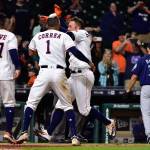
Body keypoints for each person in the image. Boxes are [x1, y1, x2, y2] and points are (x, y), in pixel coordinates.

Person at [16, 13, 95, 146]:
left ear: (47, 24)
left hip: (43, 72)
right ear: (58, 24)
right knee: (67, 105)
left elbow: (29, 51)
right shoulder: (63, 35)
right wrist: (88, 61)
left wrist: (41, 53)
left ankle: (24, 132)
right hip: (59, 72)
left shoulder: (38, 35)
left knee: (31, 103)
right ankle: (74, 136)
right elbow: (75, 52)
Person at [35, 17, 116, 142]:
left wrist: (56, 25)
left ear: (77, 27)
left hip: (83, 74)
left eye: (70, 25)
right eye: (68, 26)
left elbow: (68, 34)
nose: (68, 28)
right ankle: (49, 133)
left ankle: (108, 122)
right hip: (73, 76)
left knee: (84, 110)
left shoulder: (83, 33)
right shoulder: (73, 37)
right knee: (60, 105)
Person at [0, 12, 21, 143]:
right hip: (5, 72)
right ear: (6, 22)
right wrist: (18, 67)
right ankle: (8, 132)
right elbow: (13, 52)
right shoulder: (9, 35)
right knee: (9, 103)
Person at [126, 44, 150, 144]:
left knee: (146, 113)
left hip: (146, 88)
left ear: (148, 49)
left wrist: (128, 90)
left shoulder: (142, 59)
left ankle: (149, 135)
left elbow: (134, 77)